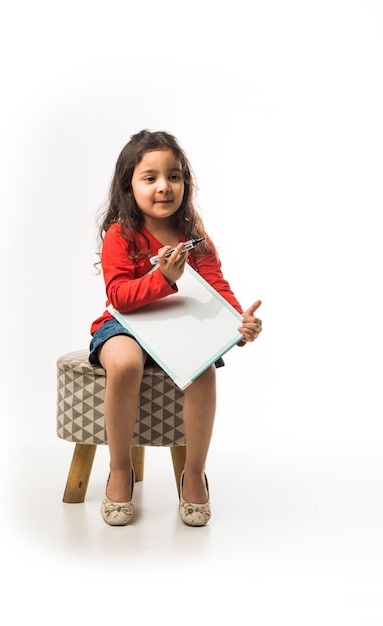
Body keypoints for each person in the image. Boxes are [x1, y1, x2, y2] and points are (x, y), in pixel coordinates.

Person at [89, 129, 262, 526]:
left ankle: (195, 473)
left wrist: (239, 324)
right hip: (125, 326)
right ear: (129, 186)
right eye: (150, 178)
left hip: (179, 330)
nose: (164, 187)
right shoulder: (121, 234)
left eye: (175, 176)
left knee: (202, 370)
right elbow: (119, 296)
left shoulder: (194, 238)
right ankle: (120, 469)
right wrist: (162, 279)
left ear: (186, 182)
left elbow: (217, 289)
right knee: (126, 364)